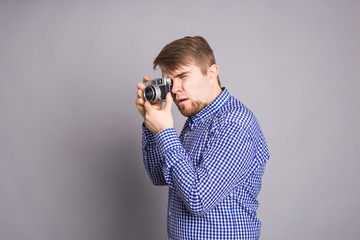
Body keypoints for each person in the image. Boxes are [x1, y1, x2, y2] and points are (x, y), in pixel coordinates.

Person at [135, 36, 269, 240]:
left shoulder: (234, 122)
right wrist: (152, 126)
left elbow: (198, 199)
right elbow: (159, 176)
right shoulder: (197, 121)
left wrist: (165, 133)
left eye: (183, 76)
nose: (175, 89)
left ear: (212, 73)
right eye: (169, 81)